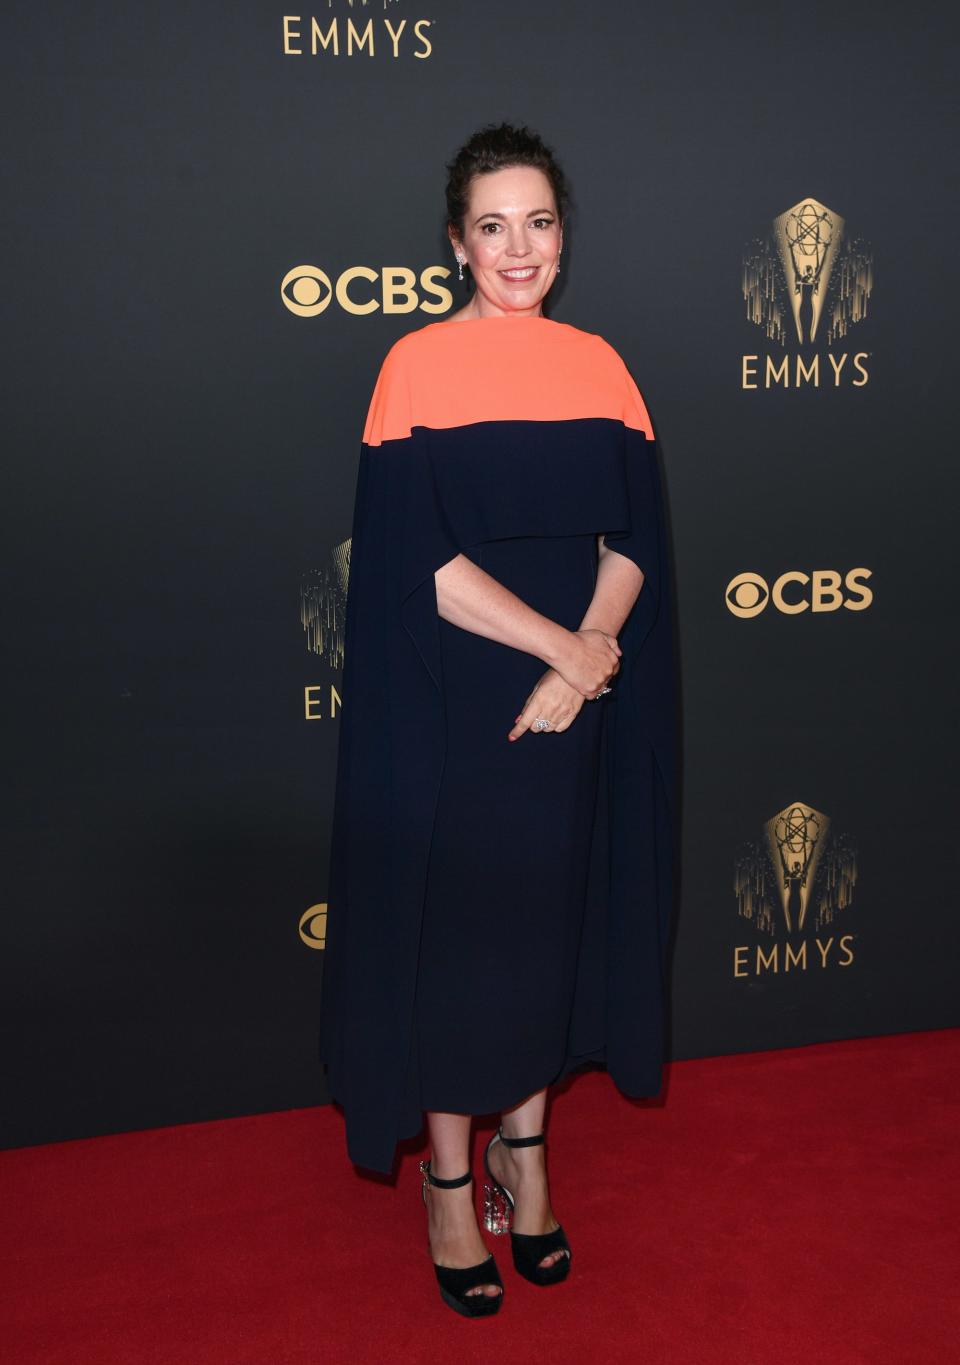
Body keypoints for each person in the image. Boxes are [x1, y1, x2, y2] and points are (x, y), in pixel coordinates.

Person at [319, 122, 678, 1317]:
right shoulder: (413, 367)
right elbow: (418, 568)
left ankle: (528, 1165)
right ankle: (449, 1179)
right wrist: (560, 650)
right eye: (492, 225)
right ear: (457, 244)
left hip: (573, 701)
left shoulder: (604, 367)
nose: (517, 248)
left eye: (538, 222)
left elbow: (635, 546)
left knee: (543, 936)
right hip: (459, 699)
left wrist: (588, 664)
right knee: (461, 946)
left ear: (561, 238)